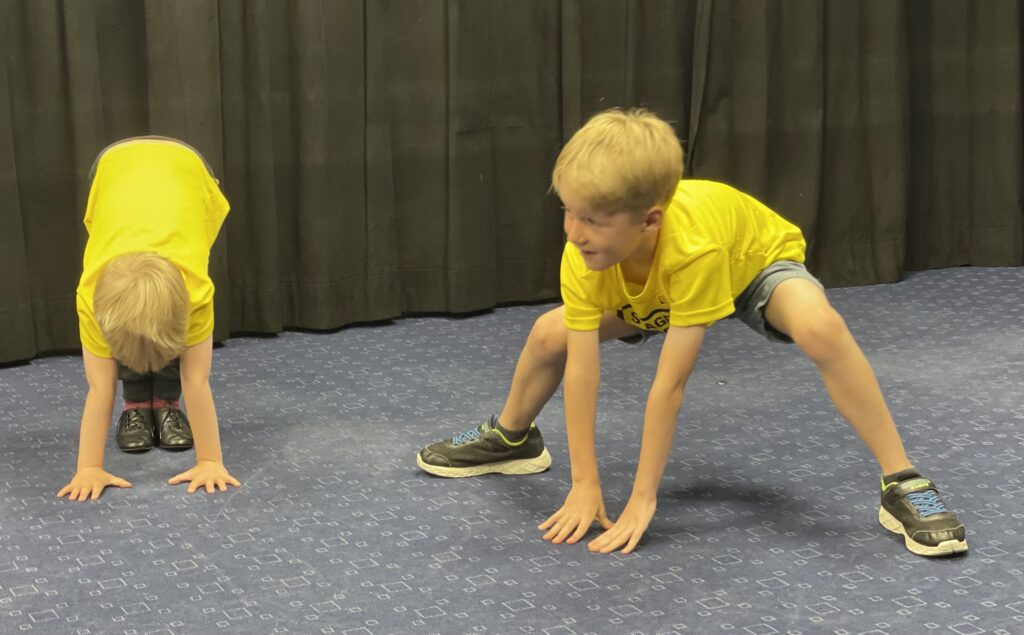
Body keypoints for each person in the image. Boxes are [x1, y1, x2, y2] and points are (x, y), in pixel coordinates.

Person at [417, 108, 967, 558]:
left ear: (649, 220)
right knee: (548, 334)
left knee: (821, 327)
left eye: (592, 220)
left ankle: (902, 480)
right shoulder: (583, 253)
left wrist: (642, 497)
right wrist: (585, 481)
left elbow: (669, 387)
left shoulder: (693, 247)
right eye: (568, 211)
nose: (573, 231)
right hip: (651, 290)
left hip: (748, 268)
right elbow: (584, 371)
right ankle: (513, 437)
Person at [57, 137, 241, 501]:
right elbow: (100, 387)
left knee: (180, 350)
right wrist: (88, 467)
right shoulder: (91, 299)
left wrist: (210, 460)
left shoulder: (196, 295)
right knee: (130, 337)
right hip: (111, 168)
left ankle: (164, 403)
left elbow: (197, 380)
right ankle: (139, 404)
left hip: (189, 167)